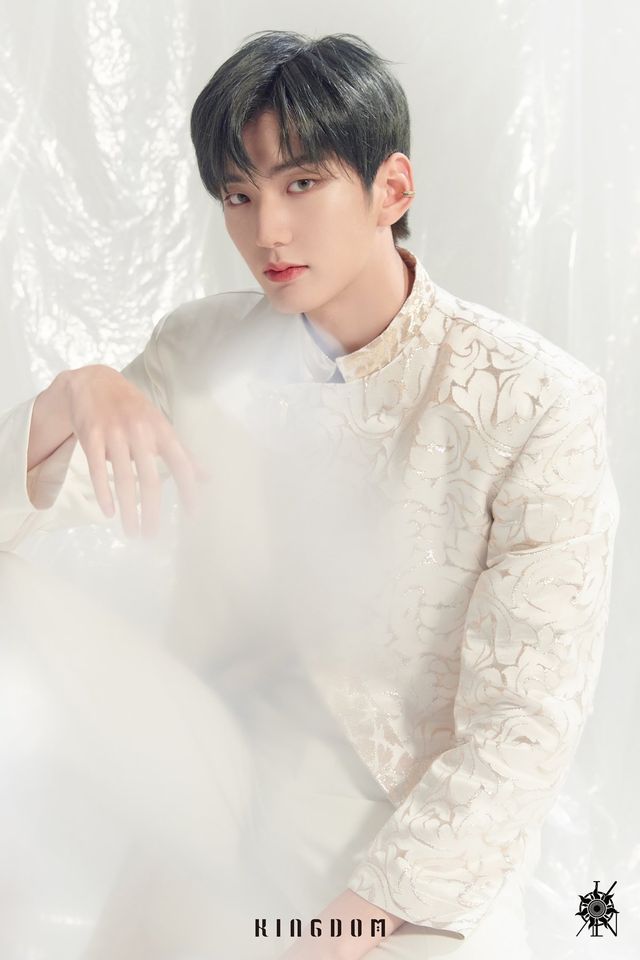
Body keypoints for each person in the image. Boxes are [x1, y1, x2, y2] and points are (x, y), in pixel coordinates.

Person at [0, 29, 620, 960]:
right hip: (212, 774)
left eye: (300, 184)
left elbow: (521, 731)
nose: (267, 232)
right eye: (238, 195)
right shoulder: (200, 350)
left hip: (400, 833)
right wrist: (70, 396)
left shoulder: (534, 401)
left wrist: (336, 931)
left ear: (392, 189)